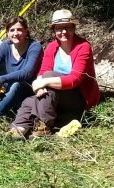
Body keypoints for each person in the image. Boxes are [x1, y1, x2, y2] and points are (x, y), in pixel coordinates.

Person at [10, 10, 100, 139]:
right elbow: (42, 71)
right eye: (59, 28)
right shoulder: (51, 47)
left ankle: (44, 125)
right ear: (54, 30)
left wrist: (44, 82)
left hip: (78, 97)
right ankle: (19, 128)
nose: (63, 32)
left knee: (48, 76)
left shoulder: (83, 47)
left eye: (67, 27)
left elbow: (75, 79)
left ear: (74, 28)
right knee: (30, 101)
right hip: (55, 96)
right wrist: (40, 86)